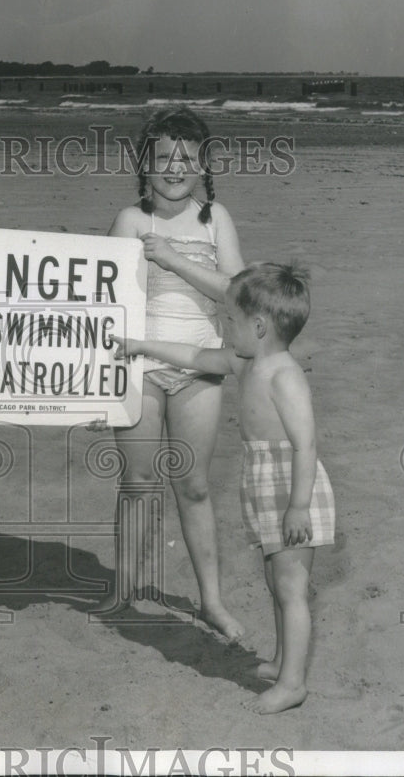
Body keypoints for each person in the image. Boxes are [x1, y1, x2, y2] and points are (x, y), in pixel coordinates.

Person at [111, 262, 336, 714]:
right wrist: (140, 345)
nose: (222, 326)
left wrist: (297, 507)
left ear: (258, 326)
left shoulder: (285, 376)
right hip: (262, 478)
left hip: (293, 486)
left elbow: (306, 444)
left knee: (291, 586)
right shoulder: (244, 360)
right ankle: (281, 661)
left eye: (229, 320)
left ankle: (293, 683)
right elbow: (193, 358)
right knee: (275, 579)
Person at [100, 106, 246, 641]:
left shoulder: (216, 219)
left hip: (200, 365)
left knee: (195, 485)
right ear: (145, 164)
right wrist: (93, 389)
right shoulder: (131, 220)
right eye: (163, 158)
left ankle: (210, 601)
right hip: (138, 363)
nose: (175, 168)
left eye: (187, 159)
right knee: (137, 483)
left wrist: (173, 259)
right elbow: (100, 302)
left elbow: (235, 292)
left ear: (204, 165)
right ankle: (124, 590)